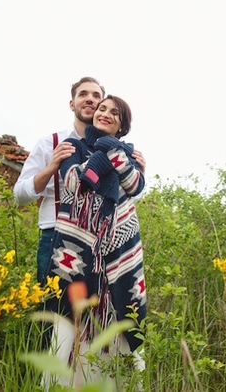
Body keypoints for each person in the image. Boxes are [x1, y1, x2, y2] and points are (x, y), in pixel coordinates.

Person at [43, 95, 147, 388]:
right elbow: (74, 182)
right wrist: (106, 154)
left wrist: (113, 151)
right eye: (102, 109)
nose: (106, 114)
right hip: (77, 248)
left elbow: (135, 185)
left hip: (119, 245)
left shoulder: (128, 153)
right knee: (69, 319)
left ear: (122, 125)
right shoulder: (74, 147)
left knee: (120, 316)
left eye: (115, 113)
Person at [13, 77, 146, 286]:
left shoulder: (119, 152)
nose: (89, 99)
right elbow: (19, 195)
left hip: (102, 244)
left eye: (96, 97)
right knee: (54, 311)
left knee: (99, 316)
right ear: (72, 103)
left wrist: (139, 174)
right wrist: (51, 168)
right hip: (56, 235)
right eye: (83, 94)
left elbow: (130, 199)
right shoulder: (51, 143)